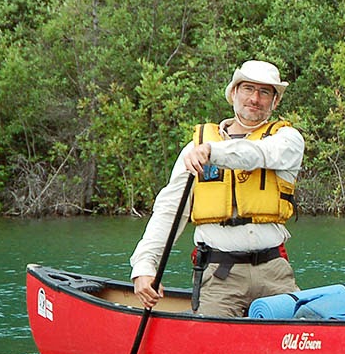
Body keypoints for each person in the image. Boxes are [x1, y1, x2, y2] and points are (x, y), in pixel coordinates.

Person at [131, 60, 305, 317]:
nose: (254, 98)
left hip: (273, 271)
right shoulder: (195, 149)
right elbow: (170, 211)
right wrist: (144, 265)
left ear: (275, 101)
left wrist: (212, 151)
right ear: (233, 93)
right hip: (220, 274)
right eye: (247, 89)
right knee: (210, 343)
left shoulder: (287, 140)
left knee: (299, 329)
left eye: (265, 92)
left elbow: (255, 154)